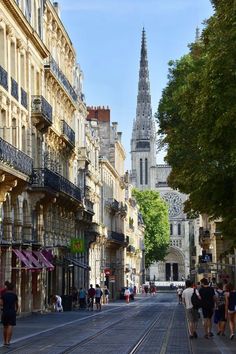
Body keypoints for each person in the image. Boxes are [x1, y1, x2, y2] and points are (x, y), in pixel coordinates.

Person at [0, 282, 18, 346]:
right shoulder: (14, 295)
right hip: (12, 312)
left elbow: (1, 304)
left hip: (5, 312)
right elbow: (16, 305)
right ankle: (8, 341)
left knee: (5, 327)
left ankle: (5, 341)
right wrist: (16, 310)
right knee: (10, 326)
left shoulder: (3, 295)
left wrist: (3, 307)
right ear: (12, 288)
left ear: (7, 288)